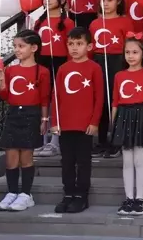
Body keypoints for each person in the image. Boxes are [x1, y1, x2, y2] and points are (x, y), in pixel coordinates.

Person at [0, 30, 50, 212]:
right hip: (13, 114)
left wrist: (44, 118)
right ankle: (12, 192)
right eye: (15, 46)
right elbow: (4, 95)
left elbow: (44, 98)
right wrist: (2, 81)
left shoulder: (41, 71)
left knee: (26, 156)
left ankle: (26, 194)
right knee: (11, 157)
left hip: (31, 114)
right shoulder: (10, 70)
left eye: (21, 46)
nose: (17, 50)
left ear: (34, 48)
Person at [50, 27, 104, 214]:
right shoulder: (63, 69)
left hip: (84, 125)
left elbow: (99, 97)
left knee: (83, 161)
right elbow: (55, 96)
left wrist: (94, 121)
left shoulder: (94, 68)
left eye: (79, 44)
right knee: (66, 161)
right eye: (71, 44)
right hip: (65, 124)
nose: (74, 48)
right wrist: (55, 122)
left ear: (89, 46)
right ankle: (68, 193)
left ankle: (81, 195)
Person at [111, 34, 143, 216]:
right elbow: (115, 102)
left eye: (135, 52)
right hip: (124, 116)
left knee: (139, 160)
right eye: (127, 52)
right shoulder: (119, 75)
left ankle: (139, 199)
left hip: (141, 115)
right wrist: (113, 124)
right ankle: (128, 198)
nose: (130, 56)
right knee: (126, 161)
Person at [89, 0, 134, 157]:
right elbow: (91, 48)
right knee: (100, 101)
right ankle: (101, 140)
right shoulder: (94, 23)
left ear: (118, 1)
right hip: (99, 61)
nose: (105, 3)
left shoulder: (125, 21)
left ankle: (117, 141)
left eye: (109, 0)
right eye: (103, 0)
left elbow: (130, 46)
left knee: (116, 101)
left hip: (118, 62)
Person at [34, 0, 73, 158]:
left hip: (61, 63)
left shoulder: (67, 23)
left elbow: (71, 47)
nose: (47, 0)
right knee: (43, 101)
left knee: (57, 101)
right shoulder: (39, 21)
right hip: (41, 63)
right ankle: (43, 140)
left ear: (62, 1)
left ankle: (55, 141)